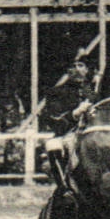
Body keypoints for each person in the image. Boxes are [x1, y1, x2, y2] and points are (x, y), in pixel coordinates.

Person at [42, 54, 97, 190]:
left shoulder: (96, 93)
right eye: (73, 66)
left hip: (95, 133)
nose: (77, 69)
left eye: (81, 65)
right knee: (52, 145)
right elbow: (55, 122)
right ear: (68, 71)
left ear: (87, 70)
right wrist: (75, 114)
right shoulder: (56, 93)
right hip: (69, 135)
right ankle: (65, 189)